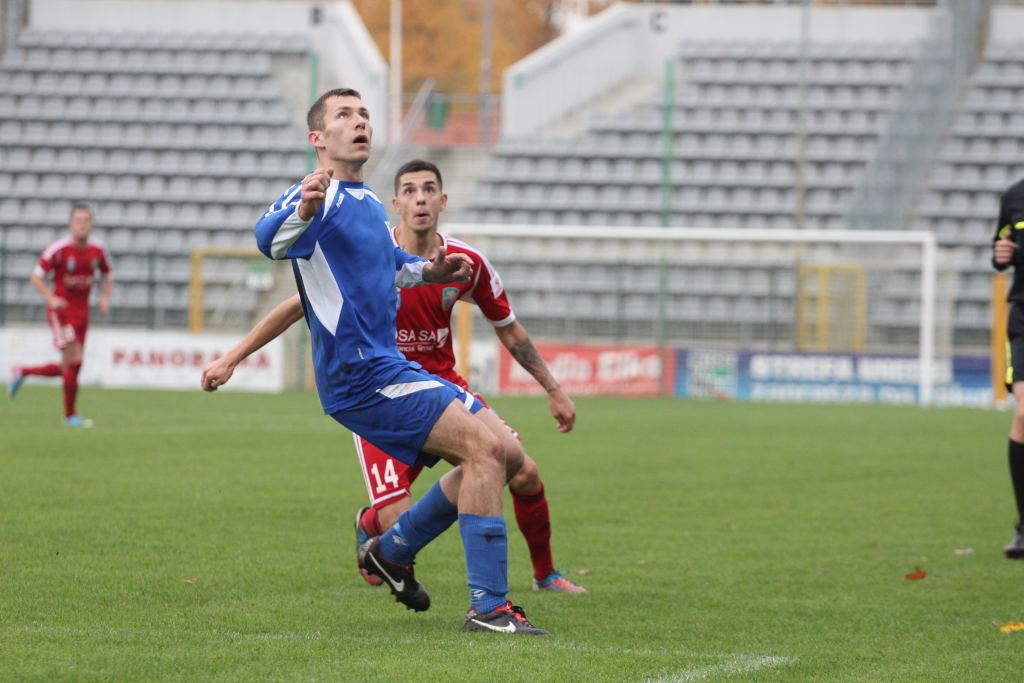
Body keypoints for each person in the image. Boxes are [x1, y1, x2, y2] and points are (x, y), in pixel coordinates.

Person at [204, 158, 586, 596]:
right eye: (409, 191)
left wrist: (554, 390)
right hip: (382, 389)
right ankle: (377, 527)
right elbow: (298, 305)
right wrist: (232, 356)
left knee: (520, 468)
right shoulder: (369, 250)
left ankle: (544, 575)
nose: (420, 199)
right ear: (396, 204)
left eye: (428, 190)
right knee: (399, 518)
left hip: (441, 385)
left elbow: (510, 330)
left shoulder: (466, 262)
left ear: (443, 201)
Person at [248, 87, 547, 634]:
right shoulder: (316, 194)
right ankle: (489, 608)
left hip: (388, 367)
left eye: (363, 113)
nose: (359, 121)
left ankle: (392, 550)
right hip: (359, 375)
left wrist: (431, 272)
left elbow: (390, 263)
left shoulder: (364, 201)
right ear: (318, 138)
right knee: (484, 451)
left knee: (501, 455)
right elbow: (268, 241)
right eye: (344, 115)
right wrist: (302, 209)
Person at [8, 202, 112, 427]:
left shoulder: (98, 250)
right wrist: (51, 298)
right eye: (78, 220)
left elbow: (107, 274)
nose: (82, 225)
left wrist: (105, 298)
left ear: (92, 224)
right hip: (62, 313)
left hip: (82, 314)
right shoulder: (59, 249)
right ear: (70, 224)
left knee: (70, 367)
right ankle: (69, 415)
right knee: (75, 359)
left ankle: (23, 371)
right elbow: (36, 277)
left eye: (86, 220)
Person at [993, 177, 1024, 559]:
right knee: (1023, 415)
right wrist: (1001, 254)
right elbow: (1000, 248)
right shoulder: (1015, 196)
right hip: (1023, 316)